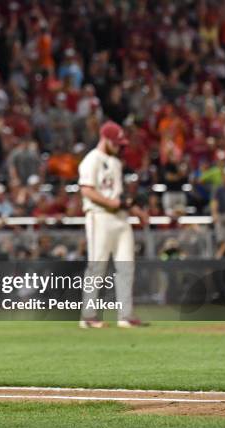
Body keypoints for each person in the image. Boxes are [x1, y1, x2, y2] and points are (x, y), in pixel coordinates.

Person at [77, 121, 149, 328]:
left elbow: (120, 196)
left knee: (126, 266)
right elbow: (87, 190)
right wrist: (112, 203)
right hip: (99, 216)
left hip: (120, 218)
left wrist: (136, 211)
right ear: (105, 139)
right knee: (97, 266)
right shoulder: (91, 159)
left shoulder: (115, 162)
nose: (119, 147)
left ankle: (125, 315)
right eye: (116, 143)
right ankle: (89, 317)